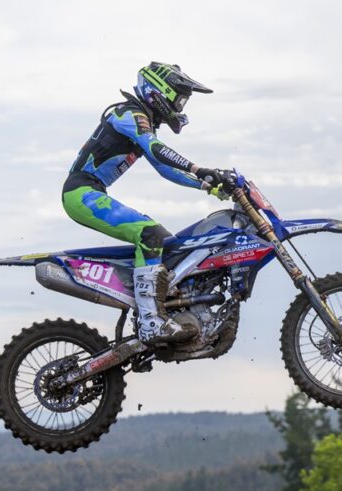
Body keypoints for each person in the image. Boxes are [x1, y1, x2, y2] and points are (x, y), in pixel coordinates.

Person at [62, 61, 234, 345]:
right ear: (160, 91)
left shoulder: (143, 121)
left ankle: (160, 307)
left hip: (91, 192)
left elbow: (164, 168)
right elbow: (158, 149)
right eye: (179, 99)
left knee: (165, 242)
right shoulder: (128, 114)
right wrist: (199, 168)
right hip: (81, 193)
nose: (180, 106)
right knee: (149, 234)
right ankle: (151, 321)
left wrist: (206, 185)